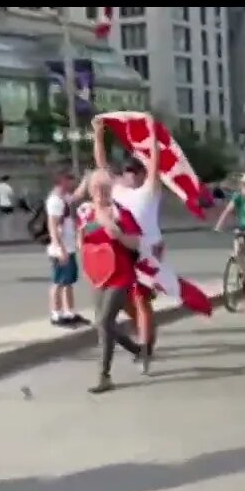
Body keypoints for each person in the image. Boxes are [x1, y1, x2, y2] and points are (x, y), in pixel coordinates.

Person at [92, 115, 165, 373]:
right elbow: (101, 165)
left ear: (143, 174)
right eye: (126, 171)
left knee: (141, 301)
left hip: (148, 250)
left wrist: (151, 133)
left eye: (135, 171)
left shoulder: (150, 190)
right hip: (124, 251)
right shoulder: (119, 190)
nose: (130, 175)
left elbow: (155, 161)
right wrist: (99, 135)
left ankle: (145, 349)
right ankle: (145, 337)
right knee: (125, 302)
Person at [77, 168, 144, 394]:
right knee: (102, 324)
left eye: (104, 188)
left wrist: (117, 232)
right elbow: (83, 243)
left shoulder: (121, 212)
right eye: (95, 188)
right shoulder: (85, 212)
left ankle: (104, 376)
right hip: (98, 276)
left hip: (121, 275)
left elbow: (135, 244)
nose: (100, 192)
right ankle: (136, 349)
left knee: (105, 322)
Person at [44, 170, 87, 328]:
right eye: (70, 178)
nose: (72, 181)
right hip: (60, 249)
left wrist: (86, 179)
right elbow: (53, 226)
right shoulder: (55, 200)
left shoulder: (64, 198)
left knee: (68, 281)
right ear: (62, 180)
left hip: (68, 247)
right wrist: (60, 248)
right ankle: (56, 314)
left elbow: (77, 196)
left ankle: (69, 312)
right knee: (58, 282)